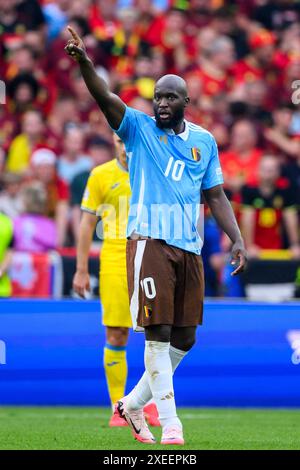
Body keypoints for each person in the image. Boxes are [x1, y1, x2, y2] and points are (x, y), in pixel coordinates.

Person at [65, 26, 247, 446]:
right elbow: (105, 98)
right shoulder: (140, 130)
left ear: (186, 102)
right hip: (148, 242)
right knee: (158, 332)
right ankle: (171, 423)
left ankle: (131, 404)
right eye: (158, 98)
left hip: (190, 248)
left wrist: (236, 237)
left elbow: (215, 194)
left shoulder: (204, 141)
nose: (162, 103)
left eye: (170, 98)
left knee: (186, 337)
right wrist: (86, 64)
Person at [72, 132, 159, 427]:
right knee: (117, 333)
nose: (125, 147)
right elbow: (86, 222)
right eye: (120, 141)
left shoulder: (154, 170)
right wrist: (81, 268)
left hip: (151, 256)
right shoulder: (100, 175)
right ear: (113, 142)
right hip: (113, 258)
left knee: (157, 334)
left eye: (128, 141)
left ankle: (148, 402)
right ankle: (117, 405)